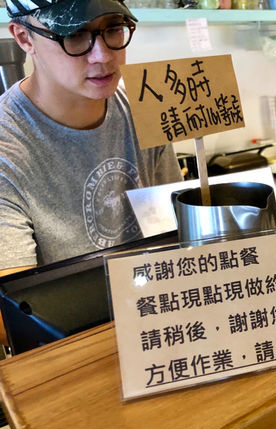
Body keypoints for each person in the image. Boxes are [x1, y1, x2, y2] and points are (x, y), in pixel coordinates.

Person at [0, 0, 183, 277]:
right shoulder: (8, 147)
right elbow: (14, 296)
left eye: (113, 28)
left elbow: (176, 232)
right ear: (24, 37)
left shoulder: (145, 104)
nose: (103, 55)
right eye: (74, 34)